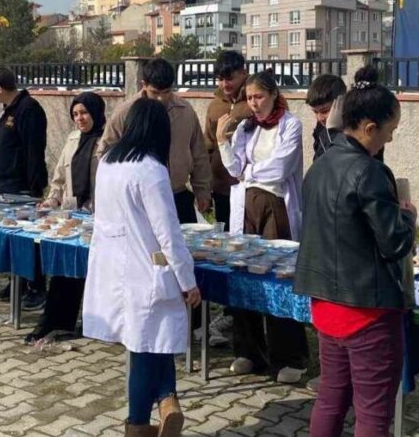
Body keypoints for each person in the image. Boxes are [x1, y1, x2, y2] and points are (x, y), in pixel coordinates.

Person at [296, 79, 417, 437]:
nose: (391, 139)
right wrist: (407, 217)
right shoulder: (370, 172)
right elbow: (394, 243)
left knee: (331, 399)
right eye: (390, 130)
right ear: (369, 127)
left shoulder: (320, 164)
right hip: (366, 310)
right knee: (373, 414)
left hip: (326, 305)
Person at [82, 98, 201, 437]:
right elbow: (168, 232)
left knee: (153, 339)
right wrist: (188, 280)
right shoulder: (150, 169)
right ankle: (137, 423)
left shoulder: (108, 162)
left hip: (115, 268)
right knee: (148, 347)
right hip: (146, 271)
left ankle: (168, 401)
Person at [216, 70, 308, 383]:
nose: (254, 104)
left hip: (276, 208)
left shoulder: (290, 124)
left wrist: (249, 171)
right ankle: (249, 351)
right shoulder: (245, 127)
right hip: (246, 209)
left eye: (259, 97)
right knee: (244, 274)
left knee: (277, 278)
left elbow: (279, 170)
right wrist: (221, 142)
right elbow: (234, 168)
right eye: (250, 98)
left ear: (272, 95)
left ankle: (289, 356)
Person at [25, 91, 106, 345]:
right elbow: (59, 177)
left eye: (84, 113)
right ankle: (54, 322)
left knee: (90, 273)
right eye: (75, 114)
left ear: (96, 112)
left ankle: (94, 323)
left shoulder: (108, 141)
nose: (79, 119)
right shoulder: (72, 139)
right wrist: (51, 200)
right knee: (63, 270)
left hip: (98, 217)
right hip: (71, 216)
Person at [99, 58, 211, 225]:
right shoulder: (126, 112)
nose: (160, 99)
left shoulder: (185, 111)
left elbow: (199, 153)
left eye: (166, 92)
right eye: (155, 92)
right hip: (138, 201)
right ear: (143, 84)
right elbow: (105, 153)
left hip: (177, 195)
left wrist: (202, 191)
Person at [0, 66, 48, 307]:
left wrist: (34, 189)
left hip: (21, 186)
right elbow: (0, 143)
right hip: (4, 183)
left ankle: (36, 287)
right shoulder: (8, 110)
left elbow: (34, 150)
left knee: (27, 238)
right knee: (11, 237)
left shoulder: (28, 109)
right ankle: (17, 282)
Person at [204, 50, 250, 229]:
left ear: (243, 74)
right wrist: (206, 186)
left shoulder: (254, 102)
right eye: (220, 79)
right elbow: (207, 145)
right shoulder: (214, 105)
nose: (224, 84)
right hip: (221, 188)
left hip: (247, 186)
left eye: (229, 78)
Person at [305, 74, 347, 160]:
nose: (319, 118)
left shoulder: (357, 131)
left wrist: (332, 131)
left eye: (325, 111)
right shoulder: (320, 128)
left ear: (341, 103)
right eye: (315, 112)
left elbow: (339, 161)